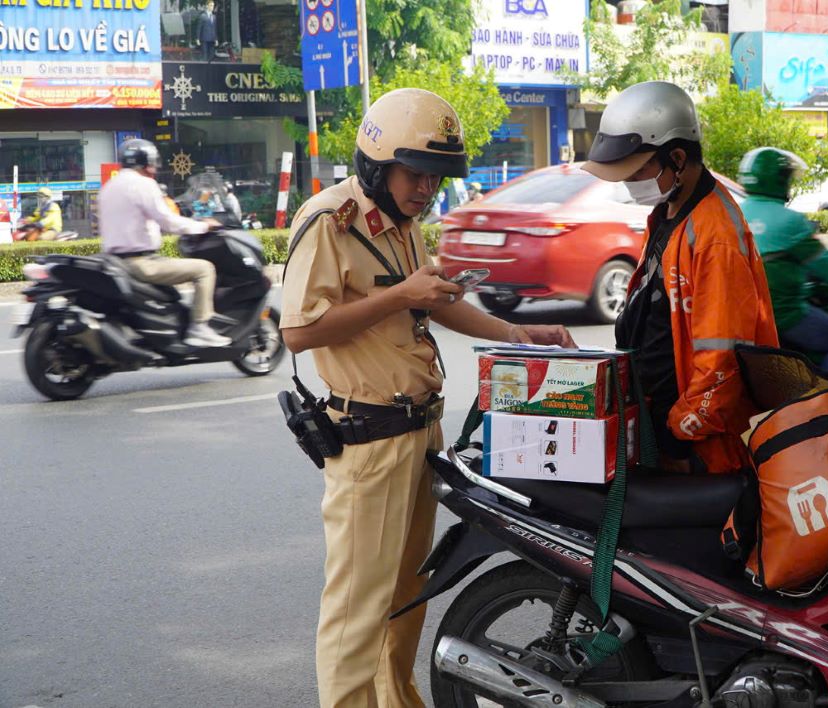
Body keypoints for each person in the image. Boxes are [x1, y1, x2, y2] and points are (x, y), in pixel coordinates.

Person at [279, 88, 574, 708]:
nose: (425, 188)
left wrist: (519, 334)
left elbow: (437, 301)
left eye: (435, 177)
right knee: (357, 612)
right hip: (368, 441)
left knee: (404, 602)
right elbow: (299, 332)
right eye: (415, 173)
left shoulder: (404, 228)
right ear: (376, 164)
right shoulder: (330, 222)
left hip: (420, 433)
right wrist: (399, 296)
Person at [583, 80, 778, 476]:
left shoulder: (715, 237)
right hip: (660, 420)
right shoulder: (670, 215)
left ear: (676, 157)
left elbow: (722, 359)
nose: (629, 182)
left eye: (638, 170)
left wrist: (681, 430)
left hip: (697, 447)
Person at [738, 147, 828, 380]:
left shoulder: (735, 213)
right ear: (778, 179)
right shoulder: (789, 221)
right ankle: (827, 402)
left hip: (744, 317)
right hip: (783, 315)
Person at [98, 139, 232, 347]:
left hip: (114, 262)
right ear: (145, 162)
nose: (155, 169)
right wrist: (202, 226)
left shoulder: (109, 186)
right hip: (141, 262)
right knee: (204, 269)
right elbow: (167, 221)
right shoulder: (142, 184)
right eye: (153, 162)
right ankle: (199, 328)